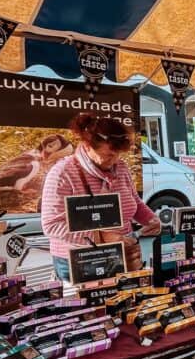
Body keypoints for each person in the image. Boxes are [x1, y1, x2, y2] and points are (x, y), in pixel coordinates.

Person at [41, 114, 161, 281]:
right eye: (109, 154)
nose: (115, 160)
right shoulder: (62, 173)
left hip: (123, 254)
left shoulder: (121, 167)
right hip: (81, 260)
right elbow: (52, 225)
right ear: (87, 145)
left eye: (119, 154)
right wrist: (102, 237)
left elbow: (134, 201)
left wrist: (150, 219)